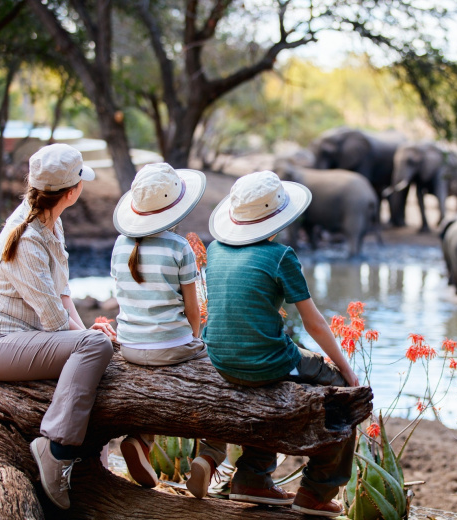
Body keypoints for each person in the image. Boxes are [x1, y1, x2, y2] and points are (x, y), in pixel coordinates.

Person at [204, 170, 360, 518]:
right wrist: (347, 370)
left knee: (267, 384)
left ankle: (253, 477)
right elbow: (314, 322)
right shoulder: (280, 255)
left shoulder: (215, 249)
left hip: (220, 359)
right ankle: (317, 490)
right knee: (343, 397)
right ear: (278, 217)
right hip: (266, 362)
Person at [0, 143, 116, 510]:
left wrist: (88, 332)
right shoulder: (26, 239)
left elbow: (63, 293)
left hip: (25, 339)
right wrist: (88, 340)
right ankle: (55, 449)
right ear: (71, 192)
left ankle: (85, 460)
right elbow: (55, 322)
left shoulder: (51, 222)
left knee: (96, 345)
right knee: (96, 347)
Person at [111, 162, 226, 498]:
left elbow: (123, 297)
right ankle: (210, 455)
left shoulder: (120, 245)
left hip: (130, 345)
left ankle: (141, 440)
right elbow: (192, 309)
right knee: (219, 383)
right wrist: (195, 339)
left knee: (152, 382)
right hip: (174, 346)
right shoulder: (179, 248)